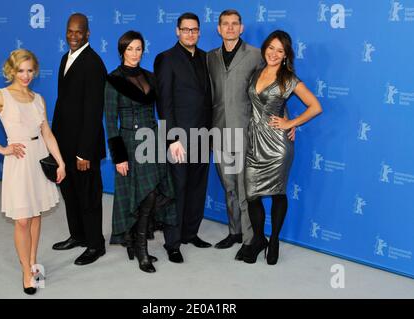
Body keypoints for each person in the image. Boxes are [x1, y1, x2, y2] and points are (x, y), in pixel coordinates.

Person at [0, 49, 65, 295]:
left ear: (35, 71)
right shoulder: (1, 96)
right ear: (12, 70)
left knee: (35, 215)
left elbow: (47, 133)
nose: (26, 76)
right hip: (19, 160)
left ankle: (33, 262)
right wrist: (2, 149)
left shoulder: (38, 99)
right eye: (21, 70)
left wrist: (61, 162)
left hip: (39, 156)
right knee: (22, 219)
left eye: (30, 70)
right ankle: (25, 270)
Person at [207, 10, 295, 260]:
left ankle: (252, 239)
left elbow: (275, 89)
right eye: (225, 24)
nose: (230, 28)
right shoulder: (210, 58)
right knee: (229, 186)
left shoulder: (258, 54)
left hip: (249, 131)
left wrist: (289, 121)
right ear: (219, 29)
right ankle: (234, 231)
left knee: (246, 189)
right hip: (219, 129)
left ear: (242, 28)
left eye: (235, 24)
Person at [244, 30, 322, 265]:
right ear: (264, 48)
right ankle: (259, 239)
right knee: (251, 195)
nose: (274, 54)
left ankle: (274, 239)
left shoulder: (289, 79)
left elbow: (315, 106)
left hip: (277, 146)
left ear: (286, 55)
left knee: (278, 193)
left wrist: (291, 122)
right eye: (271, 48)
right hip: (254, 141)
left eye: (280, 50)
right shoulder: (255, 73)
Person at [104, 31, 177, 273]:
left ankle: (136, 239)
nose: (135, 53)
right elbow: (110, 121)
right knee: (145, 195)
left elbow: (161, 110)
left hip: (151, 140)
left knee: (154, 192)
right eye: (130, 49)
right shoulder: (113, 79)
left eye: (138, 49)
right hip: (128, 142)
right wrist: (119, 156)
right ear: (122, 51)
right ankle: (141, 248)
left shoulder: (150, 77)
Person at [154, 13, 212, 263]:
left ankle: (190, 233)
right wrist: (171, 138)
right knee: (176, 189)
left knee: (197, 187)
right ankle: (173, 243)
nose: (190, 34)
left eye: (194, 30)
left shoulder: (205, 57)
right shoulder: (166, 59)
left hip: (203, 135)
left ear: (199, 32)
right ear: (177, 31)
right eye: (186, 30)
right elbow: (164, 102)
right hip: (179, 138)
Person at [51, 13, 107, 266]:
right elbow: (62, 104)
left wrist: (84, 153)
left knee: (89, 197)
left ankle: (95, 245)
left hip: (84, 149)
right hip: (64, 145)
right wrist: (52, 142)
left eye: (79, 31)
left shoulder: (94, 64)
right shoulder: (66, 58)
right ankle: (78, 236)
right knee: (70, 194)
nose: (73, 36)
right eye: (70, 31)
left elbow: (94, 112)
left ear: (87, 34)